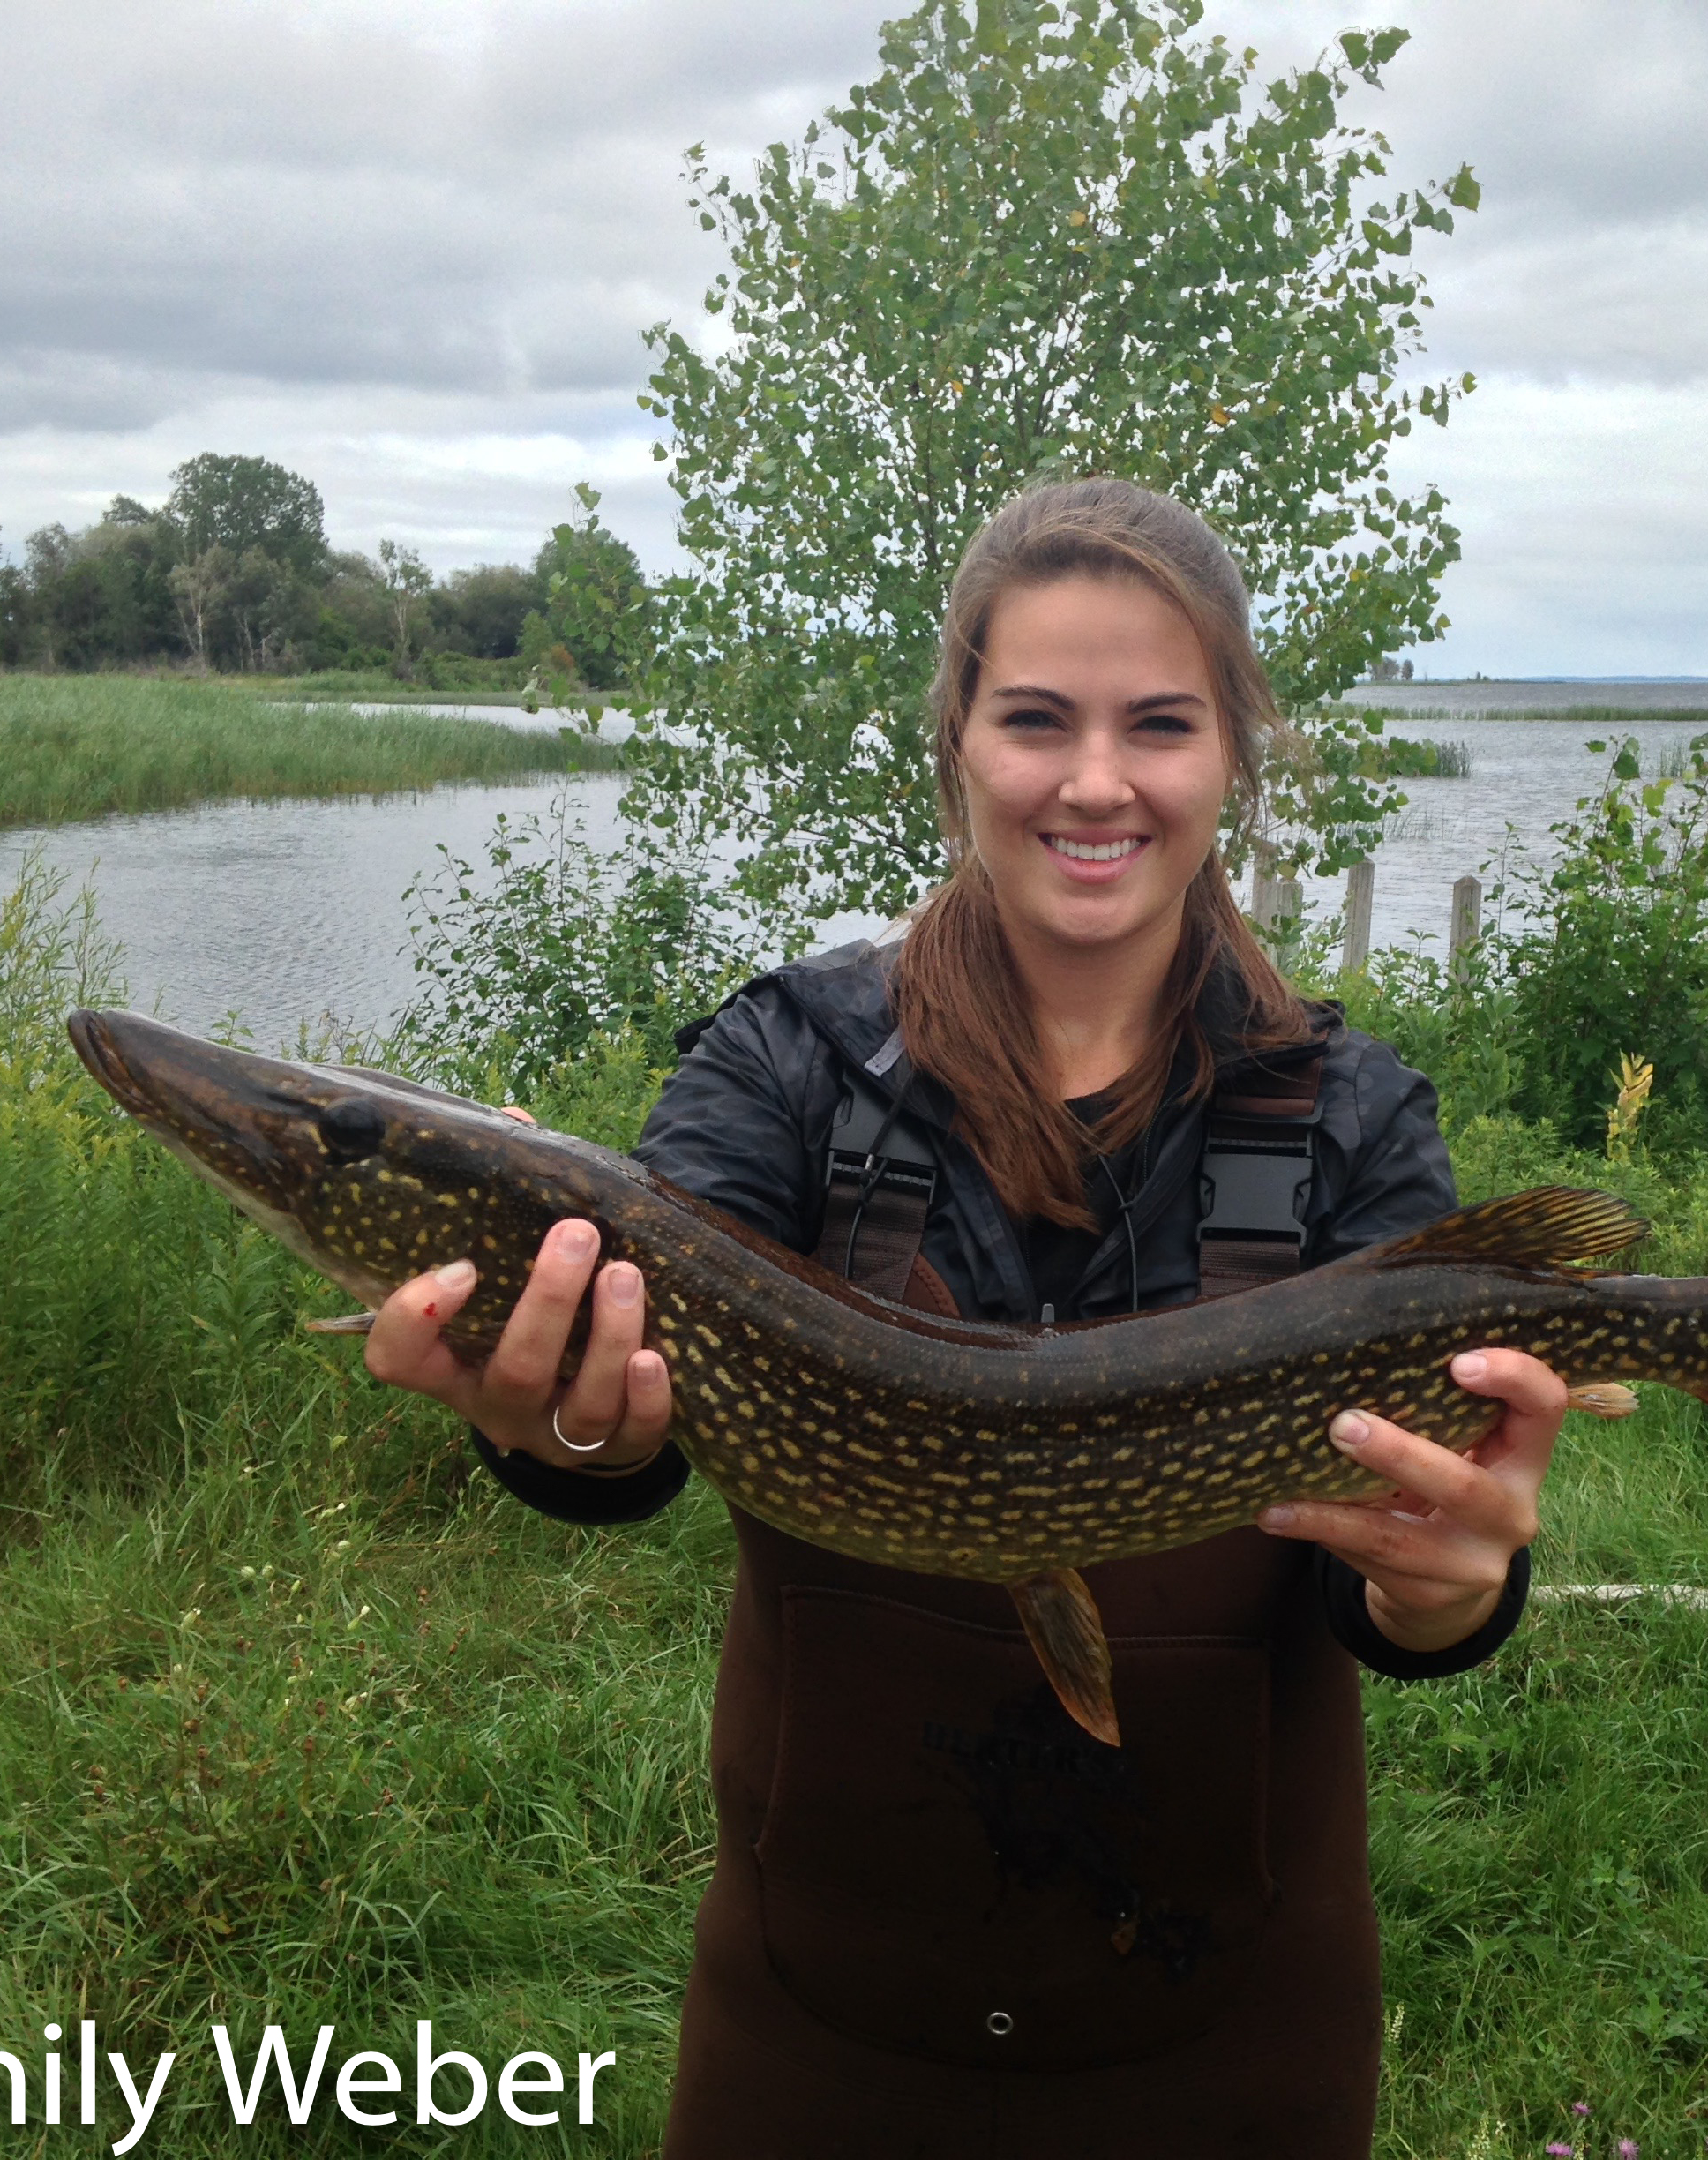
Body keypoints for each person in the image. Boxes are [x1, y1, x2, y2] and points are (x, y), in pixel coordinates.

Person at [360, 478, 1580, 2157]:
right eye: (1034, 719)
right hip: (818, 2024)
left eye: (1158, 722)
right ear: (954, 741)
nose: (1094, 780)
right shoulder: (785, 1066)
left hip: (1232, 2027)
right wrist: (554, 1419)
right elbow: (622, 1421)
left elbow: (1393, 1579)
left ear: (1233, 751)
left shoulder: (1350, 1118)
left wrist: (1450, 1589)